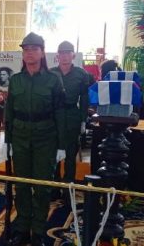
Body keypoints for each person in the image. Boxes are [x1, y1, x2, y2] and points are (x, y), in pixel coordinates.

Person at [5, 32, 65, 246]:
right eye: (25, 49)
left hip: (46, 137)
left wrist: (62, 145)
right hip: (20, 136)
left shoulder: (52, 80)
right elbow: (9, 112)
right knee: (21, 185)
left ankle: (38, 230)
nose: (29, 53)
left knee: (41, 186)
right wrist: (8, 141)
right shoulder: (15, 80)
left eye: (33, 49)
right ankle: (21, 228)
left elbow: (60, 112)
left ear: (41, 52)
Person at [49, 41, 92, 186]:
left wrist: (83, 120)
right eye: (62, 53)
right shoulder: (50, 73)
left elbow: (85, 98)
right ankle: (54, 188)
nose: (65, 56)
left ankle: (69, 187)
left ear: (73, 55)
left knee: (70, 154)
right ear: (57, 56)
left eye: (68, 53)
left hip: (72, 115)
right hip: (54, 117)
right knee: (53, 154)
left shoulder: (81, 74)